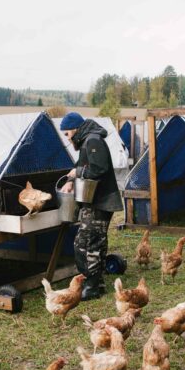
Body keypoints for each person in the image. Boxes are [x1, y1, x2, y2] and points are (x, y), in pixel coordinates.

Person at [59, 112, 122, 301]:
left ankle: (92, 285)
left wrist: (77, 172)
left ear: (75, 128)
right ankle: (97, 283)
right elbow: (82, 164)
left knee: (84, 244)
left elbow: (99, 168)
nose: (67, 138)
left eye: (67, 133)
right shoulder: (87, 141)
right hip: (96, 200)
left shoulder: (93, 141)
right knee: (97, 242)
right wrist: (71, 179)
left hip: (100, 200)